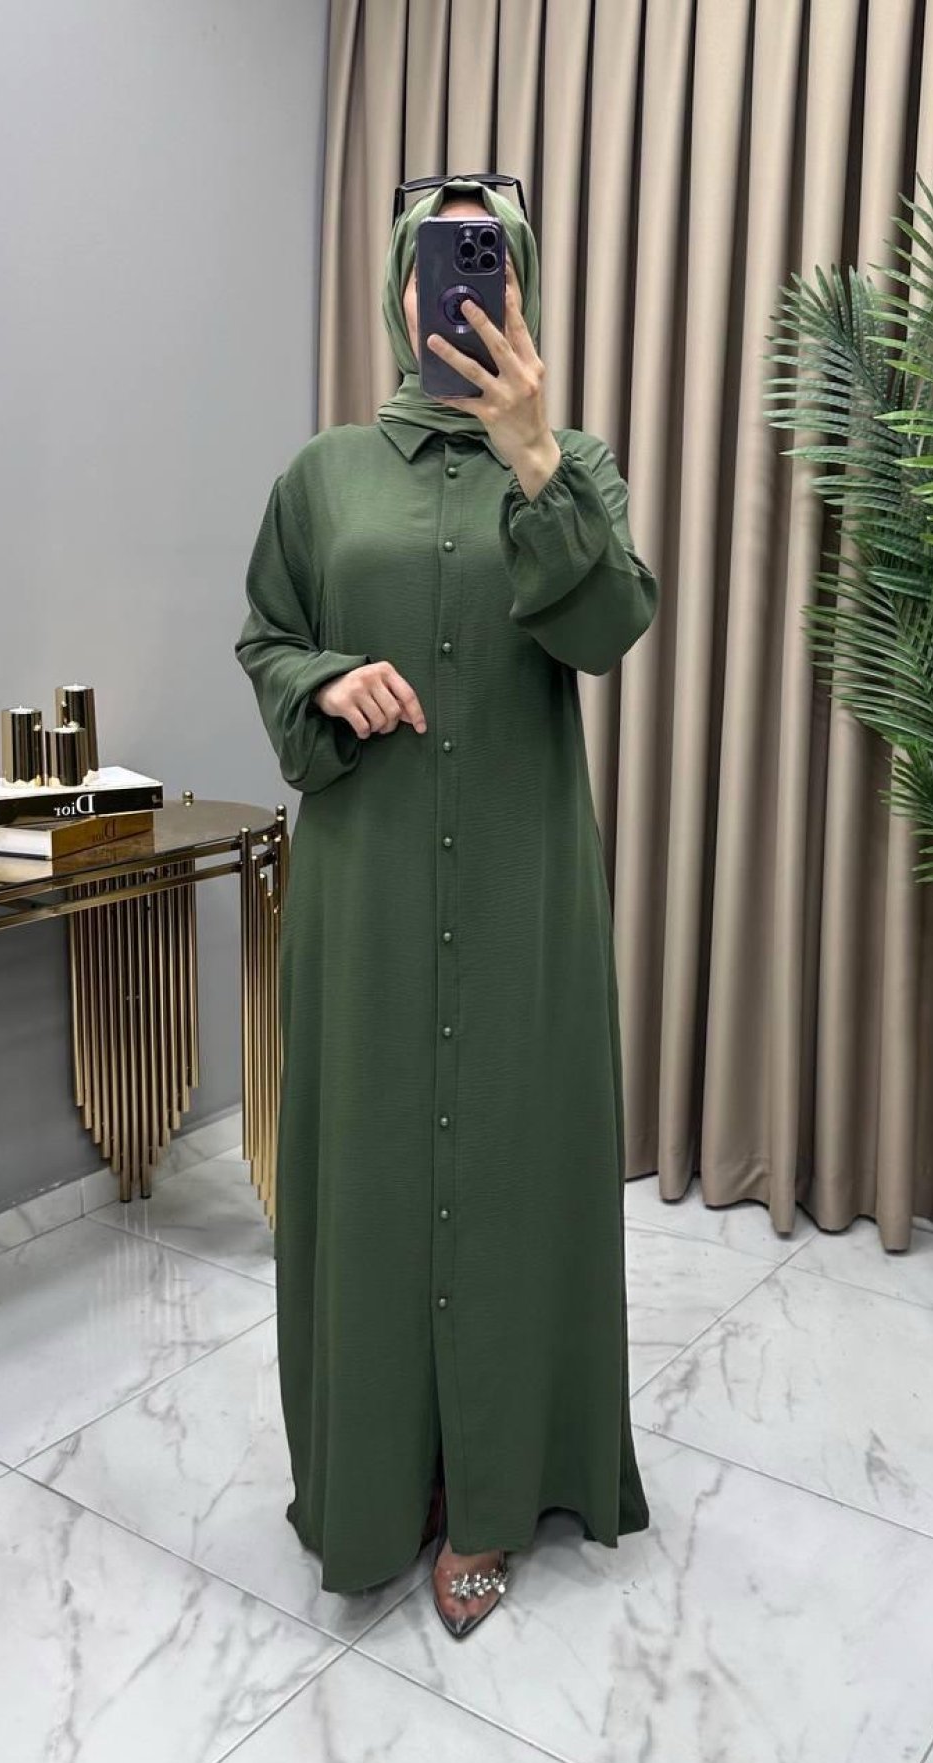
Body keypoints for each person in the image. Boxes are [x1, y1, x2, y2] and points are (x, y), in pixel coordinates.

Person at [235, 175, 659, 1638]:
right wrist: (322, 681)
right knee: (366, 1172)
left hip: (521, 890)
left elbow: (609, 628)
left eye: (487, 260)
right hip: (363, 889)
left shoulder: (572, 463)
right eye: (437, 259)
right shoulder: (322, 477)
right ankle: (373, 1479)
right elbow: (267, 636)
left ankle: (495, 1490)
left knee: (510, 1172)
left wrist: (536, 455)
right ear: (402, 288)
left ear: (519, 286)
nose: (458, 286)